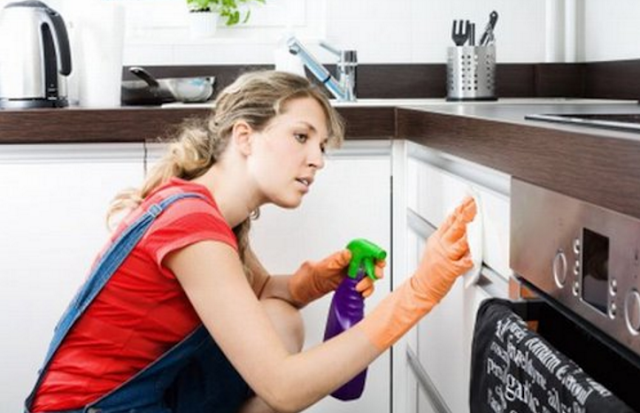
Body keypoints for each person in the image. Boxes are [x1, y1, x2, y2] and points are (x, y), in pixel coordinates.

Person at [25, 70, 476, 413]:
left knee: (281, 318)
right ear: (244, 135)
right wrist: (417, 294)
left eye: (321, 147)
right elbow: (283, 388)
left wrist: (307, 285)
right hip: (88, 408)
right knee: (280, 351)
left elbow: (253, 295)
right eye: (301, 137)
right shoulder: (192, 224)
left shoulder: (202, 206)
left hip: (135, 397)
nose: (317, 160)